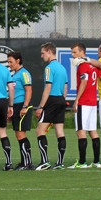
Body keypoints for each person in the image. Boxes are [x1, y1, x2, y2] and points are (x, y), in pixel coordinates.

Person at [67, 42, 101, 169]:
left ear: (82, 52)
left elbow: (84, 82)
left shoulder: (83, 65)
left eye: (75, 52)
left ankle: (82, 162)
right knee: (93, 131)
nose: (73, 55)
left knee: (81, 131)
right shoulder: (93, 65)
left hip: (84, 102)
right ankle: (97, 161)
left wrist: (77, 100)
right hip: (93, 102)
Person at [34, 42, 68, 170]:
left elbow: (48, 87)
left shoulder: (49, 68)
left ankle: (44, 161)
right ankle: (60, 163)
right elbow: (65, 87)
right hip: (61, 100)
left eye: (43, 53)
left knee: (39, 131)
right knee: (59, 131)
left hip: (51, 100)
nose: (41, 56)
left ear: (49, 52)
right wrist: (62, 101)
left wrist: (41, 106)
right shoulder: (62, 68)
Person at [7, 52, 34, 171]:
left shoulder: (24, 73)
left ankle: (27, 163)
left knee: (21, 134)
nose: (9, 64)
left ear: (18, 61)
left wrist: (25, 106)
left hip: (22, 106)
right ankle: (25, 161)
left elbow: (29, 90)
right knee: (19, 135)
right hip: (16, 106)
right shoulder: (15, 75)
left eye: (11, 62)